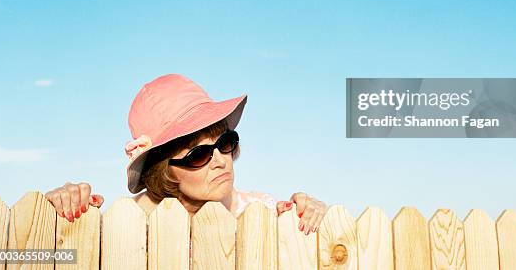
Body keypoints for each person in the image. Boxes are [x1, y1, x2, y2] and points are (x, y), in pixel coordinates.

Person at [45, 74, 327, 235]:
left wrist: (318, 222)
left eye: (225, 142)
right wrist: (55, 212)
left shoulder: (267, 213)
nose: (220, 161)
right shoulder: (124, 227)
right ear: (164, 170)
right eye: (198, 155)